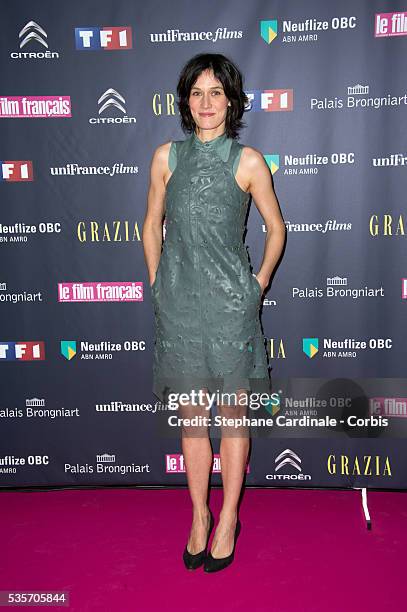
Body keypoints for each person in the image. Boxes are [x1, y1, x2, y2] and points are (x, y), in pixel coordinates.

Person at [142, 53, 286, 572]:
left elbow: (276, 228)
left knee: (231, 418)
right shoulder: (166, 157)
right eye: (197, 93)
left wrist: (259, 282)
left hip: (231, 308)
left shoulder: (248, 161)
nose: (206, 103)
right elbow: (150, 223)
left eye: (216, 92)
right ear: (186, 100)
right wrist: (158, 282)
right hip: (178, 307)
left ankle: (227, 520)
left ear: (231, 100)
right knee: (191, 420)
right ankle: (199, 516)